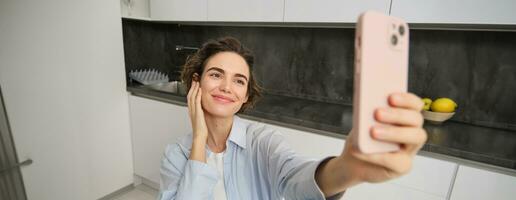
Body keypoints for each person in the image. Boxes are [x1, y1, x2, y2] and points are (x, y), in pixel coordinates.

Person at [158, 37, 427, 200]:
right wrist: (200, 140)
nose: (227, 87)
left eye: (239, 81)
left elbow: (295, 178)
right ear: (197, 83)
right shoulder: (176, 155)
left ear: (245, 96)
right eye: (216, 75)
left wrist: (349, 169)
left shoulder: (263, 142)